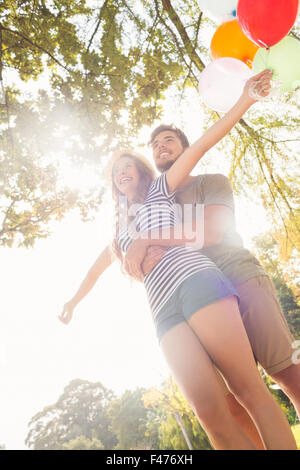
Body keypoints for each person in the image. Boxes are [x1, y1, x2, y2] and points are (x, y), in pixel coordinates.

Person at [59, 70, 297, 449]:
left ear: (140, 171)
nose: (122, 172)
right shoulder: (118, 229)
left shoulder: (161, 190)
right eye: (114, 171)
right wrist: (73, 301)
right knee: (210, 414)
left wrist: (246, 99)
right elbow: (96, 268)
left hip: (197, 282)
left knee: (247, 389)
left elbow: (200, 146)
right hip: (162, 309)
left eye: (127, 165)